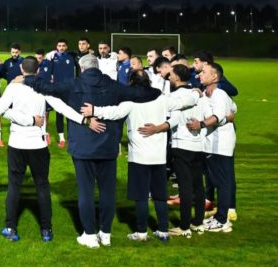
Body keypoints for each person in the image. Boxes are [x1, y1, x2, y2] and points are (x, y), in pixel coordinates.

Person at [20, 54, 160, 249]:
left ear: (82, 68)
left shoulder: (73, 84)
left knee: (85, 191)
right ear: (98, 66)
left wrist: (27, 78)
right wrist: (157, 91)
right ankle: (106, 233)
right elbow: (141, 94)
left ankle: (90, 235)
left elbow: (47, 88)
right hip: (108, 146)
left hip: (83, 147)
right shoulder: (112, 85)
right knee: (107, 192)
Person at [80, 69, 200, 243]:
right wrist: (196, 94)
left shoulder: (130, 101)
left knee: (141, 196)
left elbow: (113, 112)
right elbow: (182, 103)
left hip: (138, 156)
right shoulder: (161, 98)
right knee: (160, 194)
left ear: (131, 82)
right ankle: (163, 231)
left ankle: (141, 232)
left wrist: (94, 110)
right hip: (159, 156)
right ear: (148, 81)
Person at [0, 56, 84, 242]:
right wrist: (84, 120)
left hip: (17, 144)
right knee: (42, 186)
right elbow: (62, 108)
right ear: (38, 70)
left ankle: (10, 228)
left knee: (14, 186)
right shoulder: (43, 87)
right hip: (38, 145)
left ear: (21, 69)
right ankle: (46, 230)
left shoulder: (13, 87)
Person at [186, 62, 237, 233]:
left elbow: (218, 116)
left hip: (220, 145)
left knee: (222, 183)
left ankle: (222, 221)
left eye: (203, 72)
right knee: (216, 182)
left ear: (214, 77)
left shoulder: (219, 94)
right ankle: (219, 217)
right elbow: (233, 109)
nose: (199, 75)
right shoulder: (207, 94)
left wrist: (201, 124)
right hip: (210, 145)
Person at [166, 64, 208, 237]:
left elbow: (169, 117)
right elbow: (206, 117)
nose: (169, 77)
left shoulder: (174, 97)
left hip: (182, 145)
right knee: (198, 185)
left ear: (177, 77)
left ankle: (184, 227)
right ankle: (198, 222)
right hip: (198, 145)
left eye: (171, 75)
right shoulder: (199, 95)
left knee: (185, 186)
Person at [48, 39, 76, 148]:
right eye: (59, 45)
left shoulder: (71, 56)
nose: (61, 47)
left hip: (69, 90)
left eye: (63, 45)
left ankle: (71, 137)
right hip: (58, 90)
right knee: (59, 114)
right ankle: (62, 138)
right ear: (56, 47)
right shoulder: (52, 57)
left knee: (70, 114)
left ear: (66, 47)